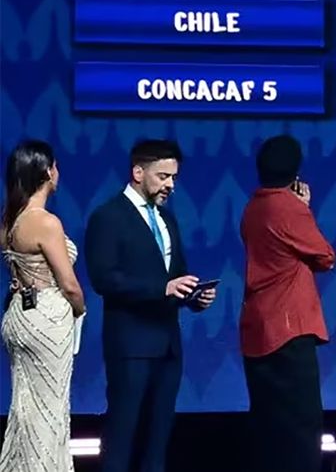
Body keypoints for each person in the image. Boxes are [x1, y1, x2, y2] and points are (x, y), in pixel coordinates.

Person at [84, 139, 216, 472]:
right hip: (131, 346)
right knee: (122, 436)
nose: (170, 185)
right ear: (138, 172)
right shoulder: (108, 217)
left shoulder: (168, 220)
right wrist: (162, 288)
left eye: (174, 177)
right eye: (163, 176)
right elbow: (104, 279)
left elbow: (176, 276)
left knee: (158, 442)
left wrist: (193, 297)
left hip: (168, 347)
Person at [240, 134, 336, 472]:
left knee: (269, 424)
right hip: (288, 329)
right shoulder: (287, 207)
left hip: (258, 328)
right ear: (295, 172)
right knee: (302, 424)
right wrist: (303, 208)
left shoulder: (252, 208)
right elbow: (325, 256)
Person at [0, 140, 86, 470]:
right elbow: (69, 284)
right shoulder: (45, 222)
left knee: (25, 409)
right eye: (56, 166)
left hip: (18, 317)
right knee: (50, 411)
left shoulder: (8, 220)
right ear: (48, 172)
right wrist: (80, 309)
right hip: (47, 317)